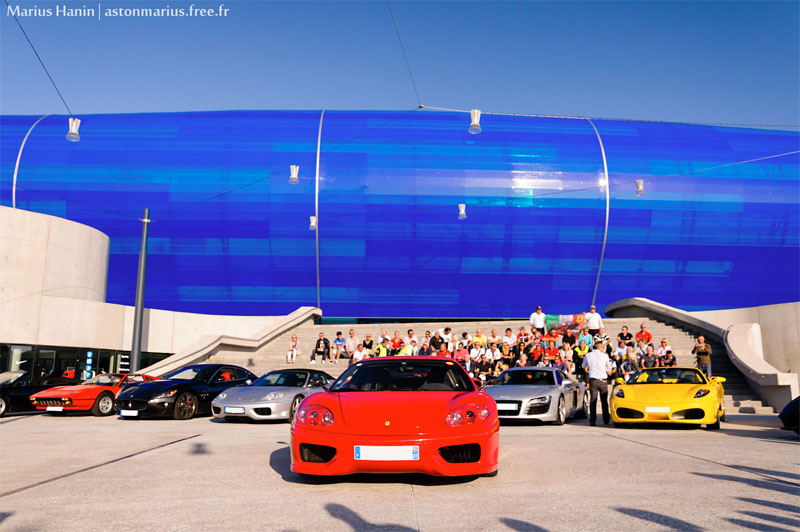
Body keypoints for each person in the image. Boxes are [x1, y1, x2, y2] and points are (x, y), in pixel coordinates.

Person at [582, 341, 613, 426]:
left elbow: (583, 366)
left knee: (593, 400)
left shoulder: (588, 355)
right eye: (603, 347)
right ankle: (606, 420)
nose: (603, 349)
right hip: (602, 380)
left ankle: (592, 421)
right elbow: (609, 366)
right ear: (599, 347)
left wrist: (590, 369)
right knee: (604, 401)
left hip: (593, 380)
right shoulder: (604, 356)